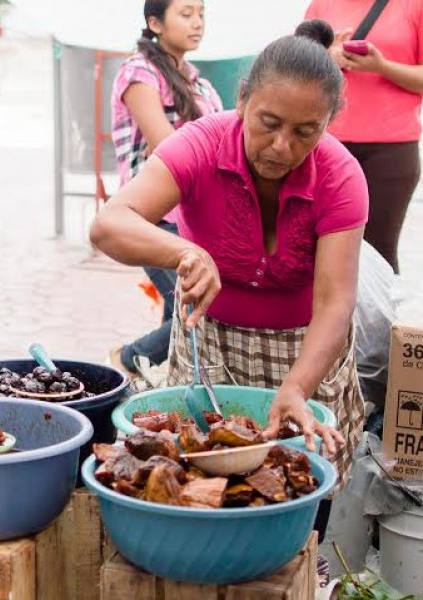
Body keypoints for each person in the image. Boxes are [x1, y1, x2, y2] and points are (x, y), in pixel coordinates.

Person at [91, 20, 365, 488]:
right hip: (211, 347)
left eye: (306, 132)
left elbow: (335, 302)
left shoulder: (341, 176)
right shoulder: (200, 145)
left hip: (307, 351)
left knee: (299, 479)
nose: (282, 146)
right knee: (203, 480)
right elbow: (108, 225)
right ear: (241, 101)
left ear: (327, 124)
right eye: (269, 123)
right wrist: (185, 251)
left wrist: (298, 385)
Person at [108, 0, 223, 378]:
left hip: (194, 212)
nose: (198, 23)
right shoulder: (138, 73)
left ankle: (158, 380)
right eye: (186, 14)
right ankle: (127, 359)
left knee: (181, 307)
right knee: (195, 307)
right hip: (153, 214)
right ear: (154, 22)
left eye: (202, 14)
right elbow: (167, 145)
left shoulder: (197, 80)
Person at [305, 0, 423, 274]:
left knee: (378, 252)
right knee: (318, 246)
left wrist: (381, 66)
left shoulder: (413, 6)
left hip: (391, 147)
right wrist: (328, 57)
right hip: (325, 144)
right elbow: (296, 68)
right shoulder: (321, 5)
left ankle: (378, 317)